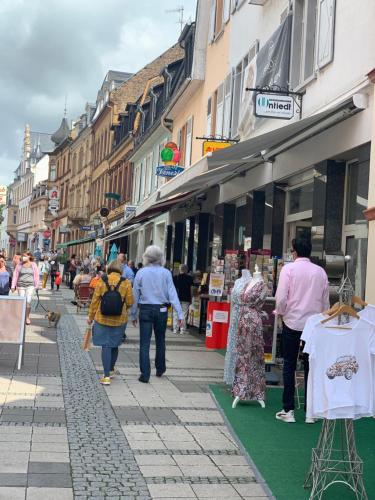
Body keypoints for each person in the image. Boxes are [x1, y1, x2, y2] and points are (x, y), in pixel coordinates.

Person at [275, 238, 329, 424]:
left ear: (294, 252)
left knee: (289, 364)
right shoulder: (320, 272)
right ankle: (310, 412)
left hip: (292, 321)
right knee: (311, 366)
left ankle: (288, 409)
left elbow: (281, 297)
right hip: (314, 324)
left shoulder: (288, 269)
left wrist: (280, 313)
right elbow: (325, 301)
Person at [131, 245, 183, 383]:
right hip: (161, 310)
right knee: (160, 340)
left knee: (144, 343)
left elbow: (135, 295)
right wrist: (180, 314)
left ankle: (145, 374)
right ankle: (160, 368)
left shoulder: (141, 272)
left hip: (146, 309)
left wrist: (133, 314)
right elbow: (173, 294)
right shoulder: (166, 273)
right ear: (161, 258)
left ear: (146, 257)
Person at [87, 261, 133, 385]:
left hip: (102, 318)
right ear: (121, 270)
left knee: (105, 345)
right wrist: (123, 309)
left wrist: (90, 317)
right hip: (120, 319)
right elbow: (130, 302)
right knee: (115, 344)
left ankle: (106, 376)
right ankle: (111, 370)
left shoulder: (102, 280)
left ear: (109, 269)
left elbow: (95, 300)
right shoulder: (126, 282)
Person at [11, 251, 39, 325]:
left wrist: (36, 286)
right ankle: (21, 317)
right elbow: (15, 276)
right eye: (22, 256)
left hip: (30, 285)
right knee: (21, 302)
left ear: (29, 256)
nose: (23, 257)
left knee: (28, 302)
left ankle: (27, 317)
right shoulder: (19, 265)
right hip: (21, 286)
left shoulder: (33, 265)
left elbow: (36, 276)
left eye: (25, 255)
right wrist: (13, 286)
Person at [173, 264, 193, 335]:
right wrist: (191, 298)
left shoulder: (175, 277)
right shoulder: (189, 278)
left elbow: (172, 289)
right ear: (186, 270)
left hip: (176, 298)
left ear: (180, 269)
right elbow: (191, 289)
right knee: (184, 314)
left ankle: (175, 329)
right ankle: (182, 330)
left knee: (176, 313)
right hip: (186, 298)